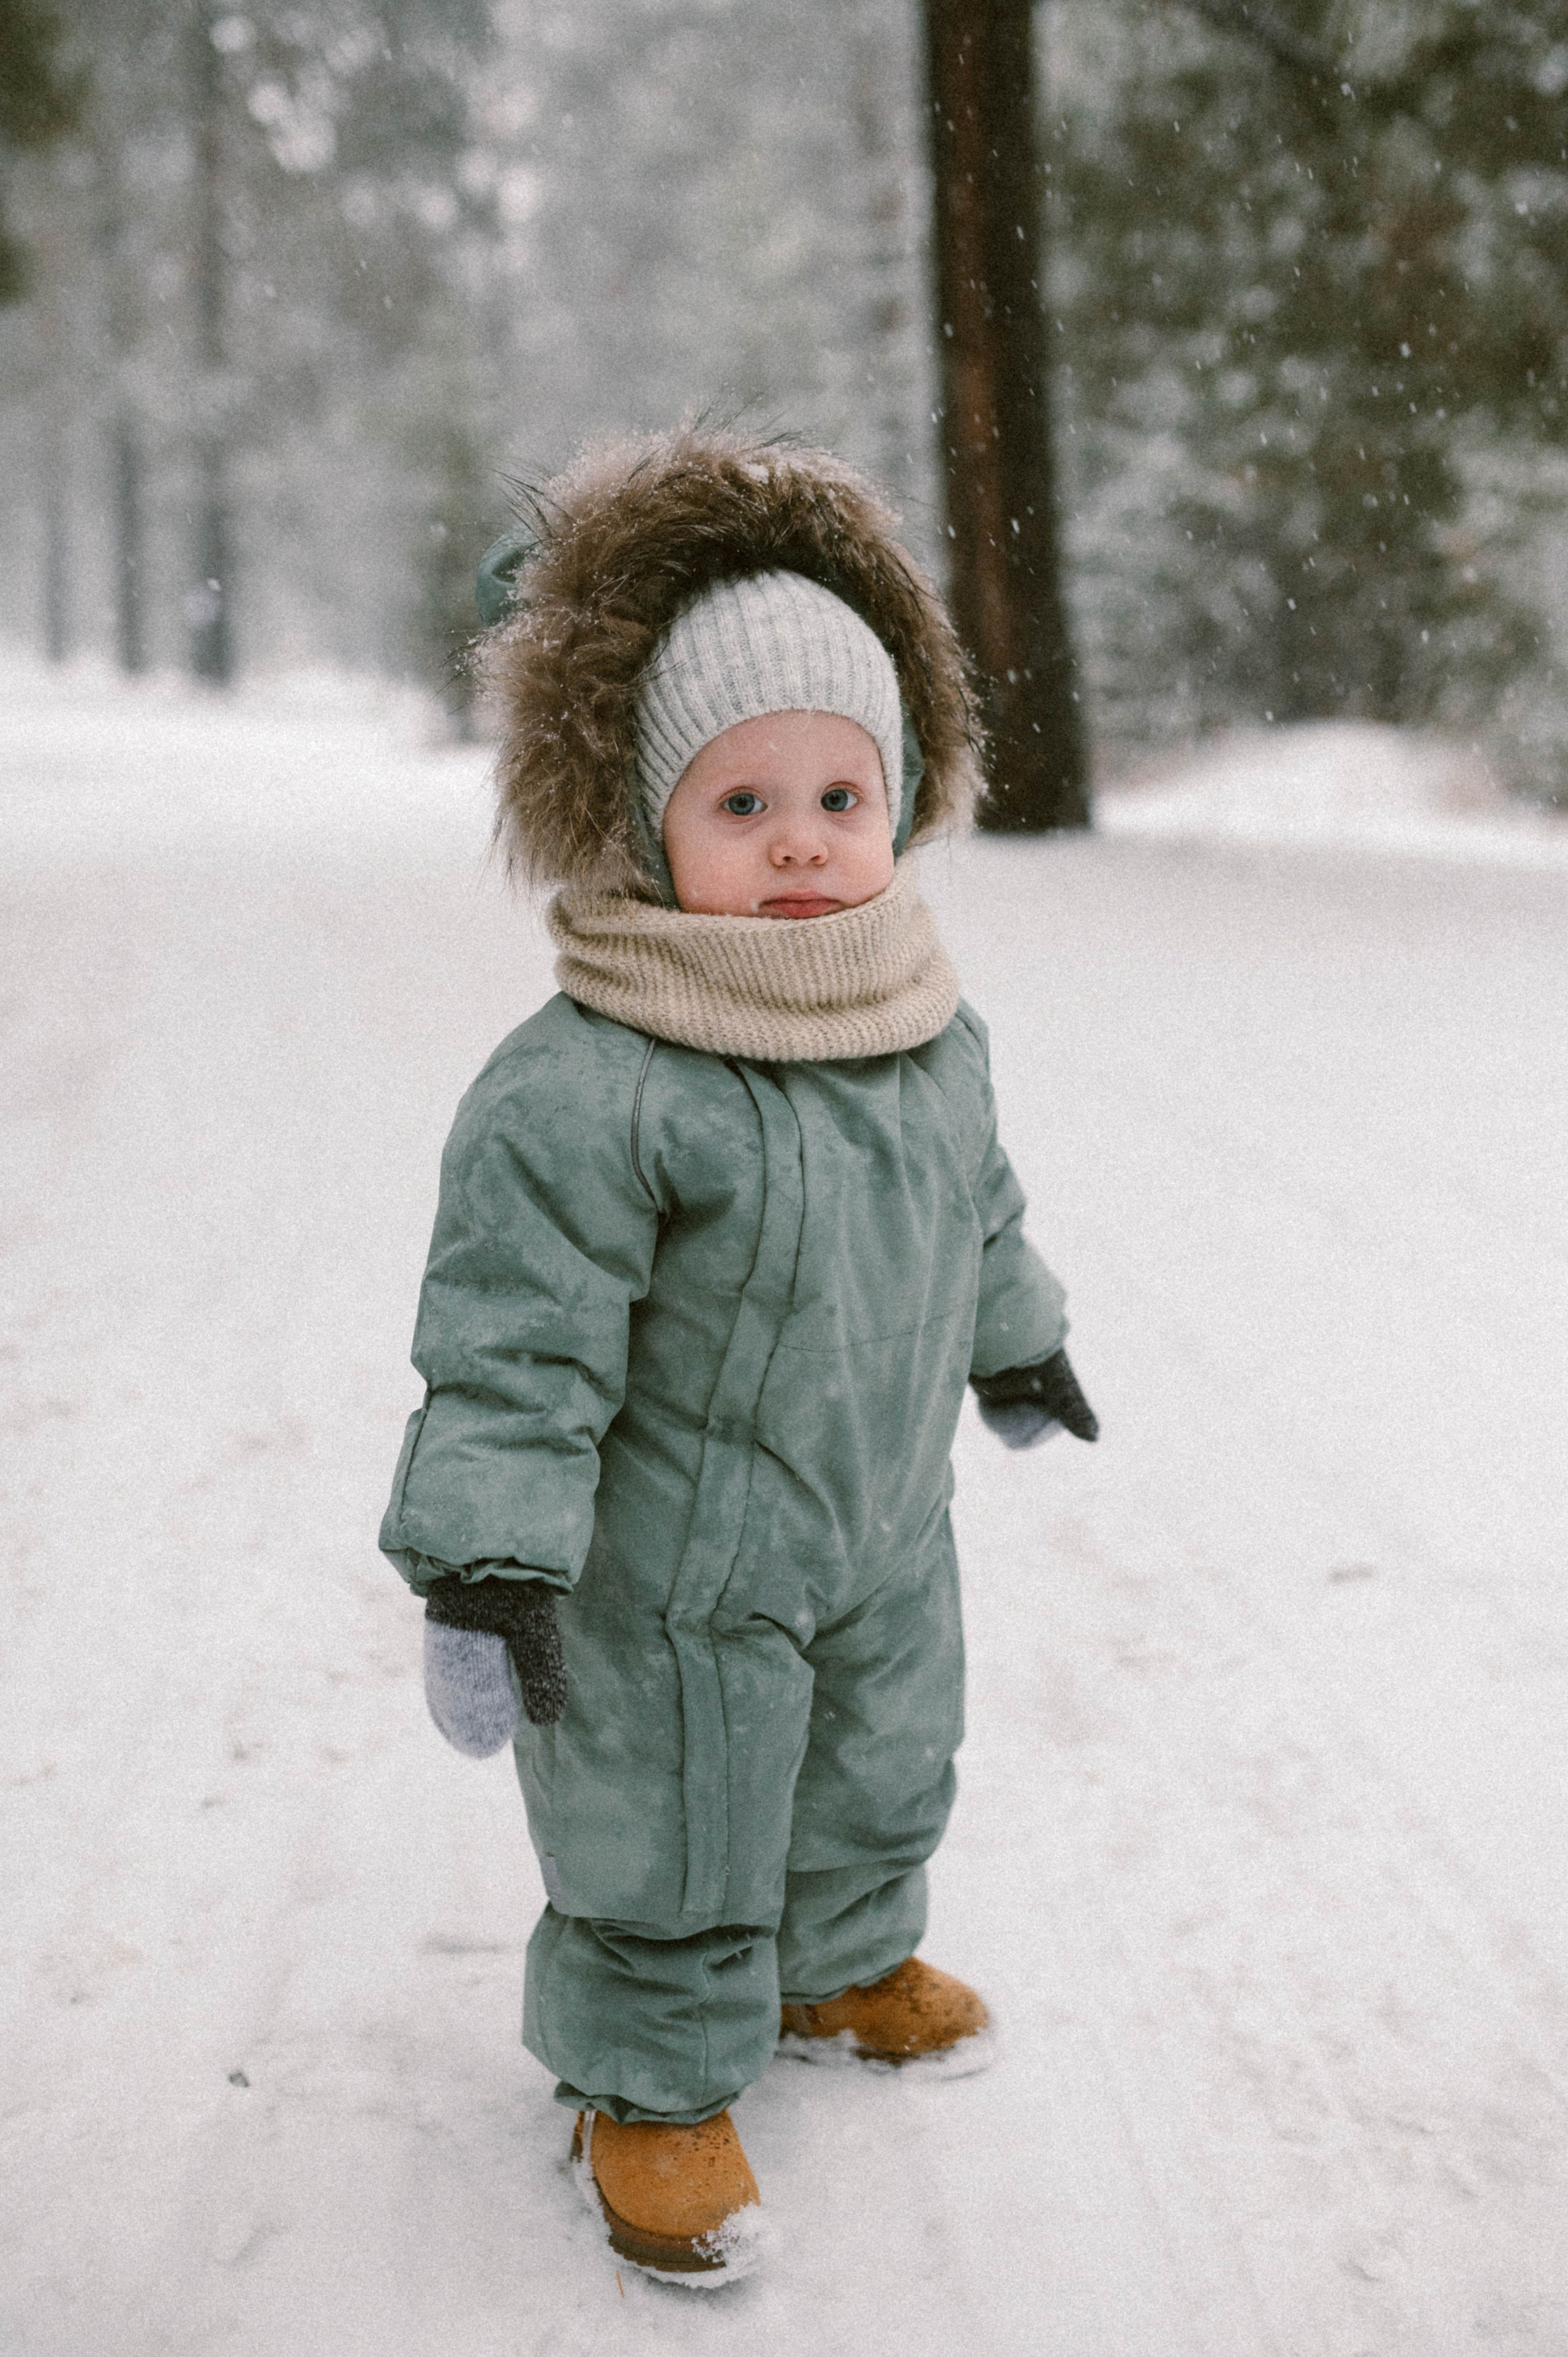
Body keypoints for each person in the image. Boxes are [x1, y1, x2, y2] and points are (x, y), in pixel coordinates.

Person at [380, 426, 1098, 2284]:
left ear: (907, 799)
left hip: (880, 1528)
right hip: (671, 1577)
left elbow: (977, 1210)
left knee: (880, 1756)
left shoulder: (925, 1027)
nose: (800, 842)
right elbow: (511, 1345)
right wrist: (486, 1559)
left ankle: (842, 1959)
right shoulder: (593, 1083)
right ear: (639, 822)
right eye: (740, 802)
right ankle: (644, 2076)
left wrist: (1018, 1346)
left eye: (841, 798)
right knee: (672, 1815)